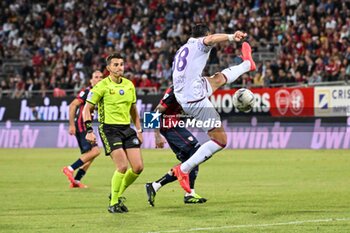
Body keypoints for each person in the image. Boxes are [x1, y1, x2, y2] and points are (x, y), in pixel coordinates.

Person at [172, 24, 256, 192]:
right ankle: (184, 169)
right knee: (220, 140)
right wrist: (232, 36)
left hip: (186, 92)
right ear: (206, 34)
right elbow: (210, 40)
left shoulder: (183, 48)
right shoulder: (199, 44)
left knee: (217, 79)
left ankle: (247, 64)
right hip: (195, 100)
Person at [83, 53, 144, 214]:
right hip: (109, 129)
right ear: (108, 68)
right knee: (122, 166)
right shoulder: (101, 86)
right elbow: (86, 109)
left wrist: (139, 130)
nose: (119, 67)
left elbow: (133, 110)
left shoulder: (129, 85)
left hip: (127, 129)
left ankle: (116, 194)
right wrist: (89, 130)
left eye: (122, 64)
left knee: (138, 167)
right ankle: (114, 203)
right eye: (116, 65)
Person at [145, 86, 207, 207]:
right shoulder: (176, 89)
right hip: (170, 127)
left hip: (175, 125)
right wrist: (156, 135)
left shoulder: (189, 88)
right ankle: (190, 194)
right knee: (195, 150)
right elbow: (157, 109)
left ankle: (155, 185)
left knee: (188, 163)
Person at [62, 70, 103, 188]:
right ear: (91, 80)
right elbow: (73, 105)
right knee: (95, 151)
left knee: (90, 155)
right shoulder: (87, 91)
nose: (99, 79)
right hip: (82, 125)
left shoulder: (100, 92)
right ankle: (69, 168)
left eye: (101, 77)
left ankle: (76, 181)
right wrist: (71, 125)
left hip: (87, 125)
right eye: (96, 77)